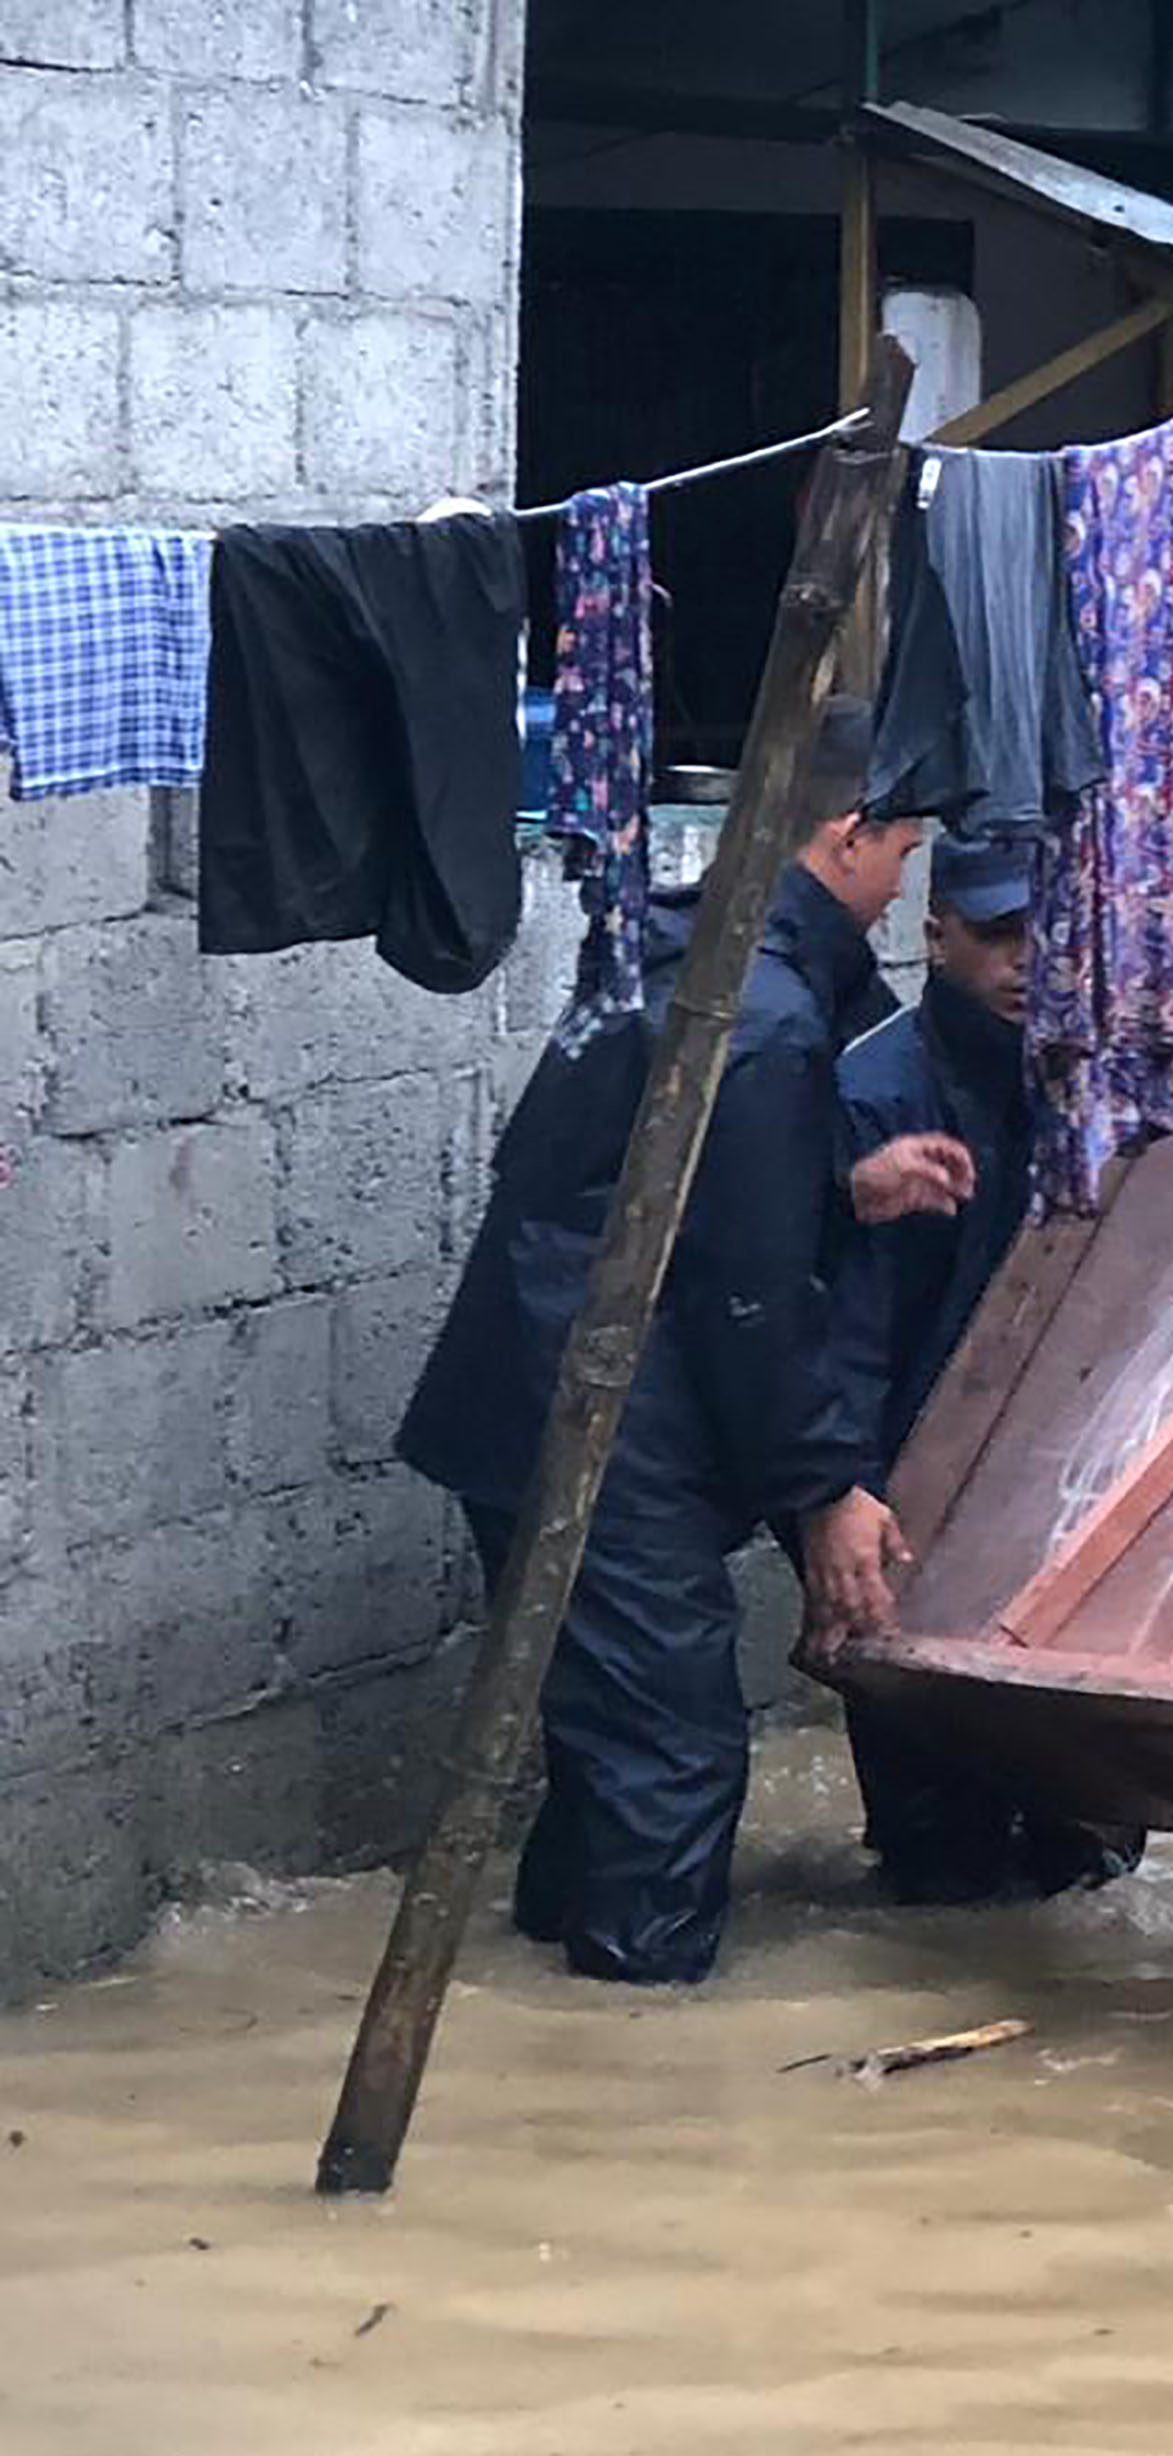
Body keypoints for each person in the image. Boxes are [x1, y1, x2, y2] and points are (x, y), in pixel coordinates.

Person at [397, 701, 927, 1985]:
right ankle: (636, 2029)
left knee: (610, 1741)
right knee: (673, 1750)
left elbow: (649, 1186)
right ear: (848, 837)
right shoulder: (765, 1016)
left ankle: (556, 1992)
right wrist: (822, 1491)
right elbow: (745, 1298)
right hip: (595, 1419)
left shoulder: (676, 948)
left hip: (528, 1393)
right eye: (905, 853)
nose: (907, 883)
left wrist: (833, 1180)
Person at [824, 831, 1141, 1902]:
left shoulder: (1095, 1080)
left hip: (1058, 1470)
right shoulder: (875, 1091)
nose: (1026, 961)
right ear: (935, 936)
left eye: (1049, 934)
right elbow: (842, 1330)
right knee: (937, 1831)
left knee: (1087, 1830)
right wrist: (840, 1493)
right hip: (898, 1487)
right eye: (998, 934)